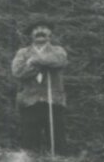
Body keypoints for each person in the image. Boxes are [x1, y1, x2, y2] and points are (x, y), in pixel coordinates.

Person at [11, 20, 70, 154]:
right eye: (36, 29)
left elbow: (59, 61)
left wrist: (34, 61)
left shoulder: (58, 50)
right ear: (31, 34)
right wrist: (40, 65)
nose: (40, 31)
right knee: (29, 141)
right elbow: (18, 71)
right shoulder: (22, 52)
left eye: (44, 28)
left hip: (53, 101)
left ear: (50, 34)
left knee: (57, 140)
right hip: (29, 101)